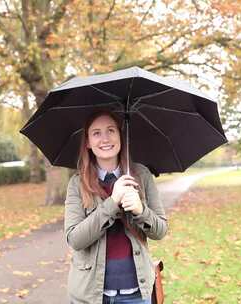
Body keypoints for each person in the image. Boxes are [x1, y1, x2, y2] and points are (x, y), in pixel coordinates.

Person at [64, 111, 168, 304]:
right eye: (96, 133)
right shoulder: (77, 184)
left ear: (120, 135)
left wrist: (140, 210)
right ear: (87, 142)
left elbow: (160, 231)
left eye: (111, 130)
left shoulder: (142, 175)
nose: (105, 138)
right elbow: (75, 239)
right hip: (90, 295)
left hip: (136, 294)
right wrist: (112, 203)